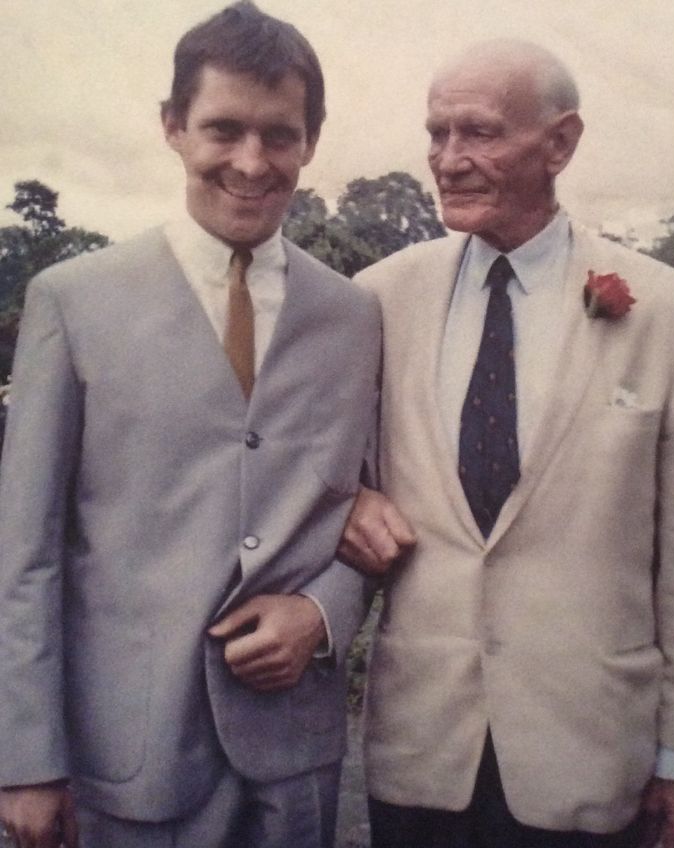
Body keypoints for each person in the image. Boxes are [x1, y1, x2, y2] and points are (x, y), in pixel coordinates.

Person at [339, 40, 674, 848]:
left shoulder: (667, 310)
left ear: (560, 142)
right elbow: (318, 472)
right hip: (421, 755)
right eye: (436, 133)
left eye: (478, 133)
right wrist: (351, 497)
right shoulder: (376, 299)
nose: (448, 160)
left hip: (591, 759)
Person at [0, 3, 379, 847]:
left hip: (295, 761)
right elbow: (25, 549)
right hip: (130, 762)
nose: (251, 162)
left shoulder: (355, 316)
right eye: (223, 129)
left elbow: (377, 509)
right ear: (173, 127)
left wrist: (324, 612)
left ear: (311, 140)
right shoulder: (75, 301)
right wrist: (28, 760)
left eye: (280, 135)